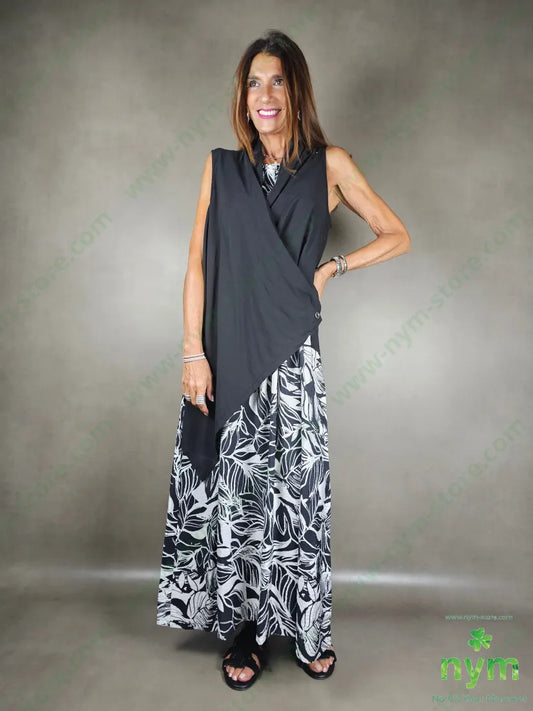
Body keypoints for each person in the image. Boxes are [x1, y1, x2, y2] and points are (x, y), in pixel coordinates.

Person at [156, 29, 411, 690]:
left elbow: (397, 235)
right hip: (226, 352)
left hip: (293, 358)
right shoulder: (220, 167)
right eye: (253, 83)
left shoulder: (330, 165)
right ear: (242, 97)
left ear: (296, 91)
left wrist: (332, 268)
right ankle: (242, 631)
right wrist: (192, 350)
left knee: (295, 496)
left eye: (276, 81)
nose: (263, 95)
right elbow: (195, 263)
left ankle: (303, 627)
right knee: (236, 498)